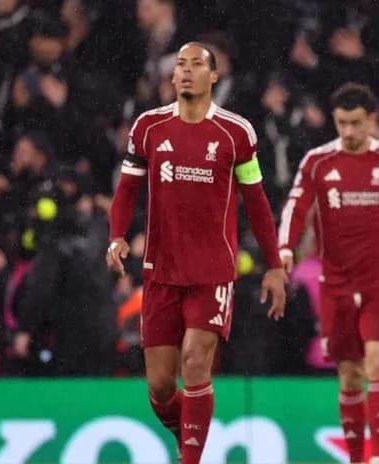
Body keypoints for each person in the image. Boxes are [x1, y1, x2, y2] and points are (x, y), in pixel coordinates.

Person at [106, 42, 286, 464]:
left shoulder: (236, 133)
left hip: (213, 272)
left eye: (196, 65)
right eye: (180, 66)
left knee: (195, 362)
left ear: (214, 76)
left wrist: (274, 265)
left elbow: (256, 201)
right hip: (161, 272)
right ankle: (188, 437)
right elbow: (127, 189)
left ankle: (191, 458)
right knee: (161, 387)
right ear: (172, 78)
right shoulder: (148, 128)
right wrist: (117, 236)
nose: (186, 71)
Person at [277, 82, 379, 464]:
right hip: (335, 286)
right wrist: (286, 247)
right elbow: (296, 206)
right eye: (341, 124)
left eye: (355, 123)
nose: (348, 132)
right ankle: (356, 459)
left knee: (378, 361)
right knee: (350, 376)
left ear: (371, 120)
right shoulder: (318, 161)